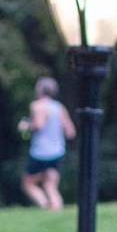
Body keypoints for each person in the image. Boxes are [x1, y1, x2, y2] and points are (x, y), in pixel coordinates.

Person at [19, 78, 75, 211]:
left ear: (40, 90)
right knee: (50, 184)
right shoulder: (59, 107)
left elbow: (39, 125)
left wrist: (26, 126)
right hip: (57, 152)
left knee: (28, 183)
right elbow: (70, 132)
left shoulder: (37, 106)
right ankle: (57, 211)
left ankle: (45, 206)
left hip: (41, 152)